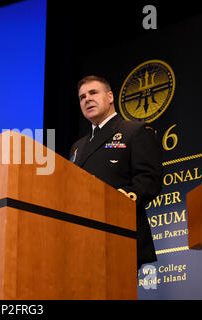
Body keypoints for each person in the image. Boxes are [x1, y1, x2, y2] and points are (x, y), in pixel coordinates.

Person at [69, 75, 163, 269]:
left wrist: (118, 201)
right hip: (81, 241)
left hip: (120, 235)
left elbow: (149, 179)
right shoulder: (77, 147)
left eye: (93, 93)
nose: (87, 99)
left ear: (110, 97)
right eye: (82, 97)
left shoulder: (135, 131)